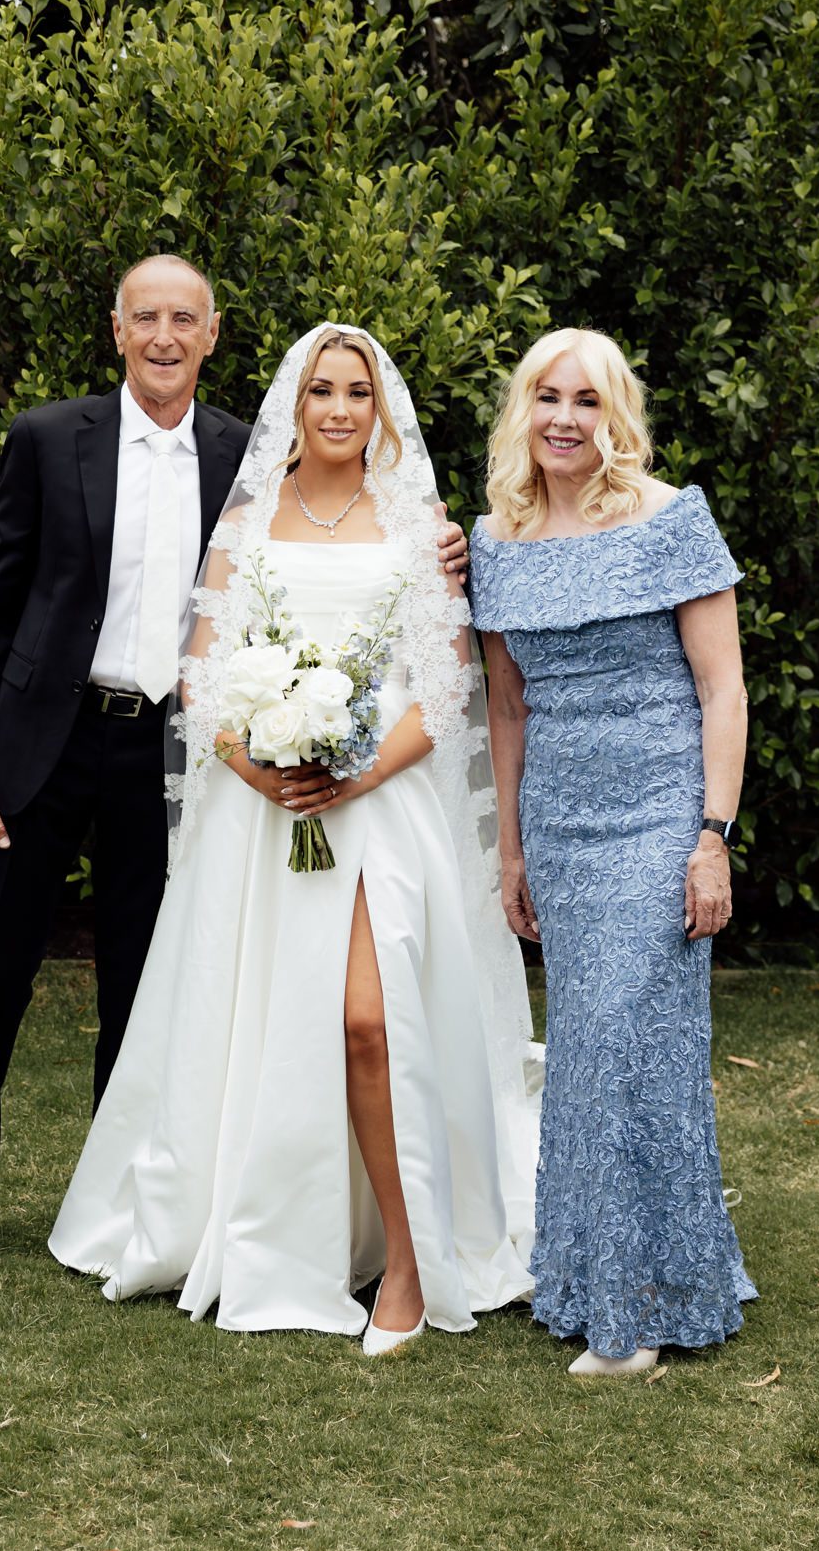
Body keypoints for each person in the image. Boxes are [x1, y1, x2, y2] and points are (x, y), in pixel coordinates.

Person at [0, 267, 468, 1291]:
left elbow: (340, 546)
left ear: (212, 335)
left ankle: (129, 1192)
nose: (164, 336)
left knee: (146, 982)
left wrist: (447, 551)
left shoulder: (245, 455)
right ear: (118, 329)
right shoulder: (47, 437)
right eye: (146, 318)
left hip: (167, 748)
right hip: (45, 739)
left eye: (183, 320)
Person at [48, 326, 538, 1349]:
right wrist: (263, 764)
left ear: (380, 410)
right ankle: (283, 1229)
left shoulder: (423, 528)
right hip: (262, 816)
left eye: (359, 391)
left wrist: (356, 770)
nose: (340, 408)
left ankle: (410, 1262)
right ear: (295, 404)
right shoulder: (247, 521)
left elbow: (444, 688)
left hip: (382, 805)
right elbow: (200, 674)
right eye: (322, 389)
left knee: (367, 1020)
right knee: (270, 1021)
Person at [468, 327, 755, 1377]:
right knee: (597, 1052)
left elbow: (722, 687)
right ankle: (636, 1278)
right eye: (547, 397)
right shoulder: (493, 540)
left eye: (586, 400)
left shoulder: (671, 518)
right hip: (560, 820)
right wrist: (511, 850)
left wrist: (712, 836)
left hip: (661, 811)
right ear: (522, 409)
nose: (564, 419)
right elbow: (507, 705)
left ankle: (627, 1317)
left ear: (615, 414)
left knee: (626, 1039)